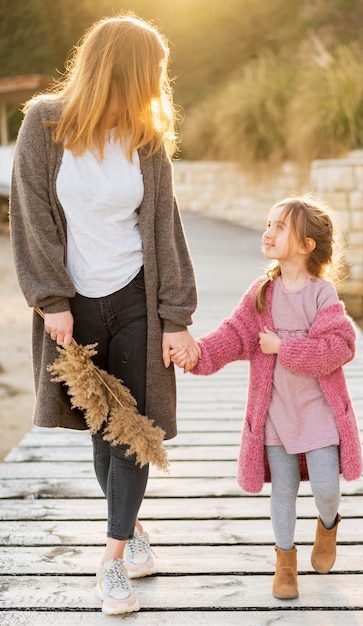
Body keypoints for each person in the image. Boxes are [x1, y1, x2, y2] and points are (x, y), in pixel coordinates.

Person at [9, 13, 200, 616]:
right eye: (150, 74)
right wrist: (53, 301)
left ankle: (112, 556)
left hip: (137, 298)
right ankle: (134, 531)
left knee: (135, 431)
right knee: (105, 429)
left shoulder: (146, 136)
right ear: (120, 70)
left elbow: (165, 227)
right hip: (77, 305)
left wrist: (176, 314)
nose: (155, 87)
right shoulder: (45, 122)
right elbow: (31, 216)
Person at [171, 195, 362, 600]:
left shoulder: (321, 295)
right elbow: (232, 335)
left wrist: (284, 348)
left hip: (320, 414)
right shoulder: (261, 295)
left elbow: (339, 346)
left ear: (307, 245)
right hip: (275, 417)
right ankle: (286, 563)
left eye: (280, 227)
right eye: (268, 224)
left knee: (327, 486)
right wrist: (198, 355)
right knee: (284, 490)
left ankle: (328, 526)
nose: (268, 232)